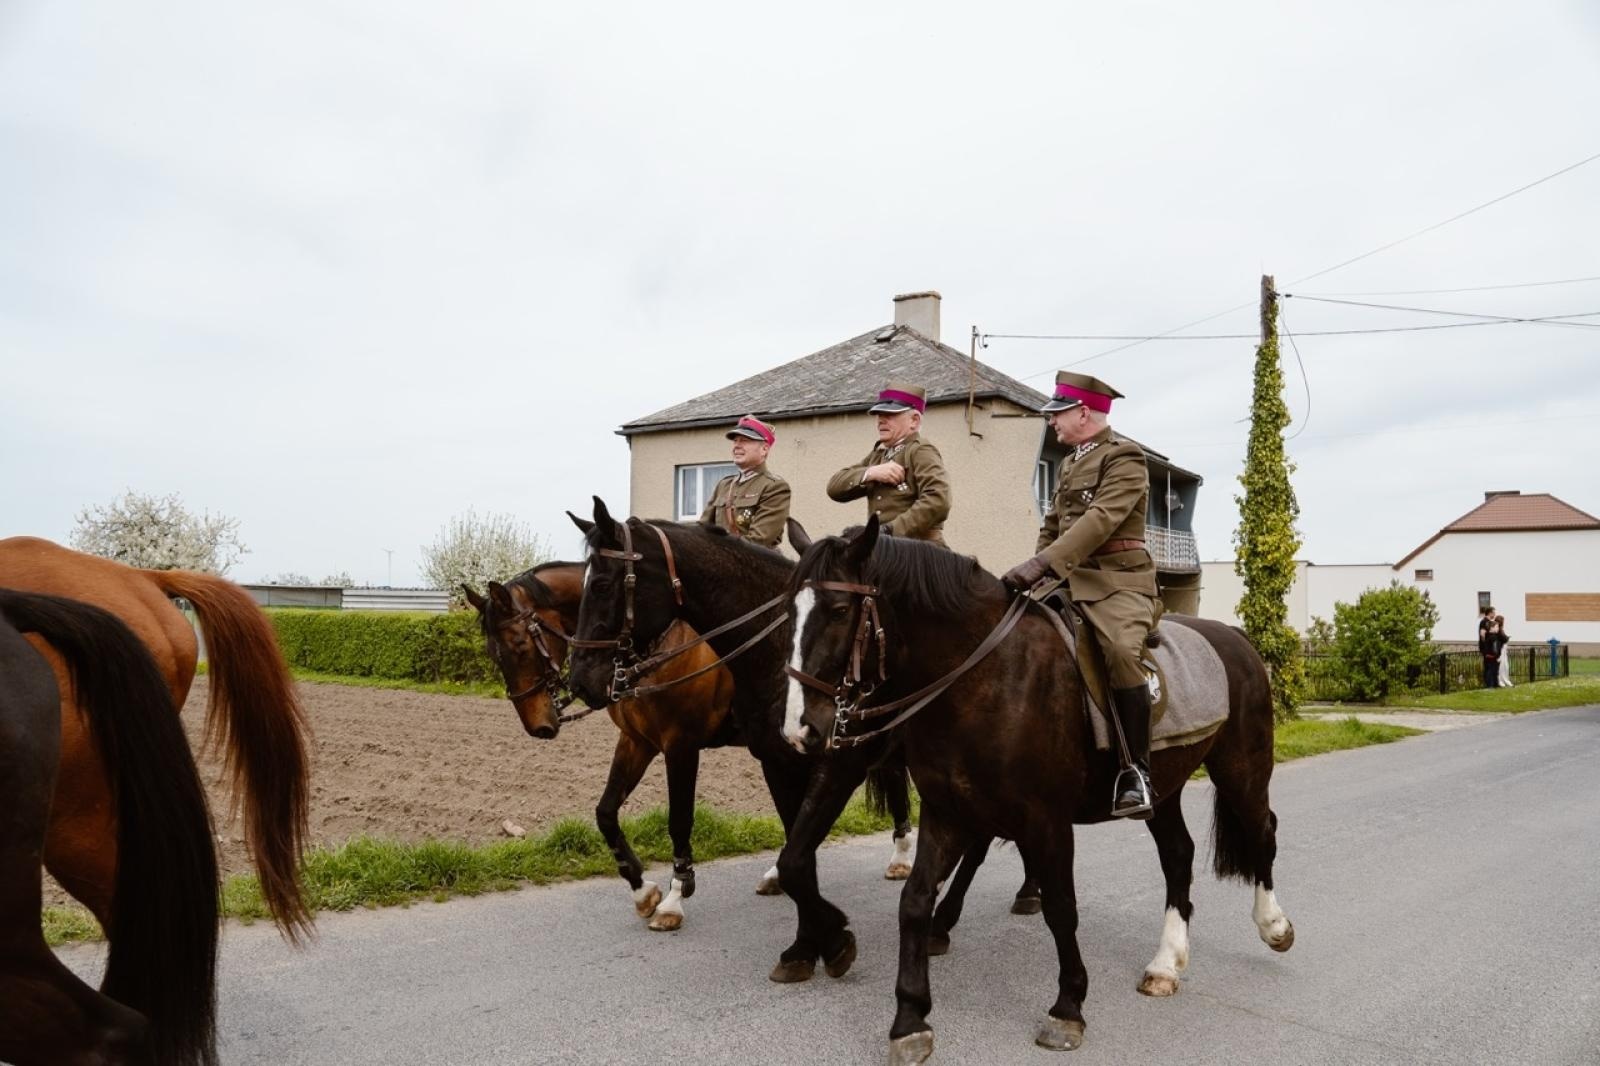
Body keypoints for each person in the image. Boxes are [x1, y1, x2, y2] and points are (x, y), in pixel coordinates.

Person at [1000, 371, 1160, 819]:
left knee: (1121, 651)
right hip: (1067, 580)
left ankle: (1136, 771)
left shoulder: (1124, 456)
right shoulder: (1070, 463)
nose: (1052, 422)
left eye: (1058, 414)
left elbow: (1101, 519)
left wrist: (1043, 564)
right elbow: (1052, 526)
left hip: (1117, 582)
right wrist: (1035, 572)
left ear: (1084, 413)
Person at [826, 382, 952, 545]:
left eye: (890, 415)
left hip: (918, 549)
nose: (881, 420)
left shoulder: (920, 450)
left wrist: (889, 530)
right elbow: (834, 488)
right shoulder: (879, 455)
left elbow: (939, 500)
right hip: (885, 549)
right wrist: (871, 473)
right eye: (879, 414)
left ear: (914, 420)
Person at [697, 416, 791, 549]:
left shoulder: (774, 487)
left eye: (745, 441)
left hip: (754, 561)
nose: (737, 446)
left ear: (764, 449)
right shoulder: (724, 484)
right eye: (735, 441)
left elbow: (759, 540)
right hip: (719, 558)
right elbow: (702, 529)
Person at [1478, 605, 1500, 688]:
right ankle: (1488, 684)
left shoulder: (1488, 621)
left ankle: (1493, 683)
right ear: (1490, 613)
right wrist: (1486, 645)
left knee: (1491, 666)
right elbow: (1482, 634)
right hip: (1486, 649)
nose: (1494, 615)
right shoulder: (1484, 622)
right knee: (1488, 666)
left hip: (1488, 648)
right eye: (1493, 613)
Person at [1494, 614, 1513, 688]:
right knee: (1502, 666)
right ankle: (1501, 680)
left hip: (1503, 649)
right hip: (1501, 650)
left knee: (1504, 665)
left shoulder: (1499, 629)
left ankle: (1503, 679)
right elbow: (1504, 638)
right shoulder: (1499, 630)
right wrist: (1507, 638)